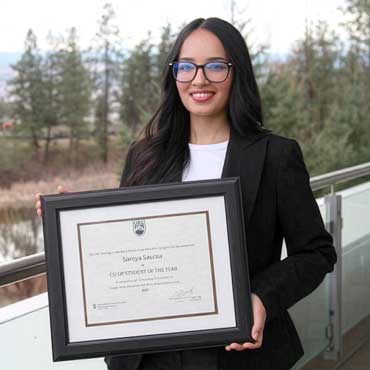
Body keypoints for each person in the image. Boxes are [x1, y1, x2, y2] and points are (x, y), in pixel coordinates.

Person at [36, 17, 337, 370]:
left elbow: (317, 253)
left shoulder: (276, 156)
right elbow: (130, 247)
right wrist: (80, 220)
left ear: (236, 72)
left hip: (238, 356)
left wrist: (262, 298)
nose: (199, 79)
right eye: (186, 67)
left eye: (215, 66)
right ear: (173, 75)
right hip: (148, 358)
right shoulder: (144, 155)